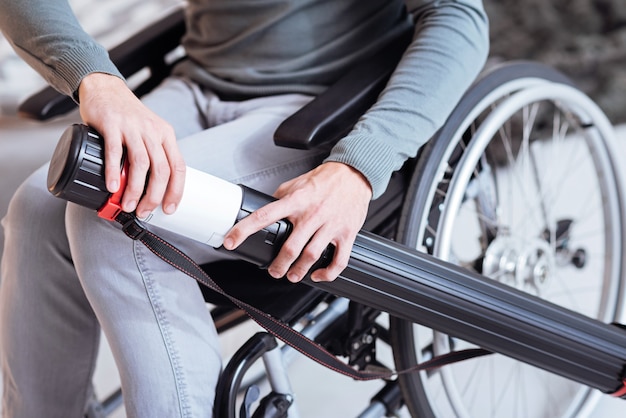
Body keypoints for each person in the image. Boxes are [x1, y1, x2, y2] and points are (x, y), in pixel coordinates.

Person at [0, 0, 488, 416]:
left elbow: (459, 15)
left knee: (121, 218)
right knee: (38, 207)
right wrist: (97, 80)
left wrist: (359, 167)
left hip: (324, 108)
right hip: (199, 83)